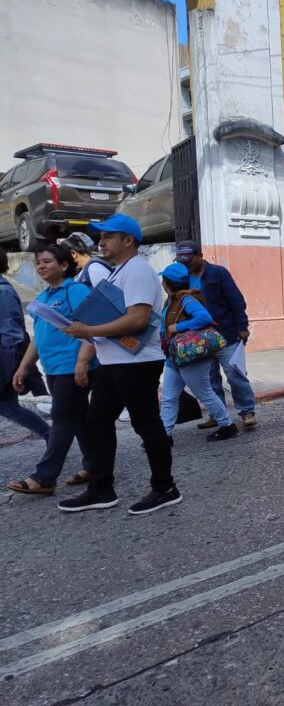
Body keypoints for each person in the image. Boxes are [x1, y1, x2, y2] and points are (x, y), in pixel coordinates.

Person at [60, 214, 180, 515]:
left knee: (147, 425)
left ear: (128, 240)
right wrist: (86, 352)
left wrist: (88, 331)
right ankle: (101, 488)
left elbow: (137, 319)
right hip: (114, 363)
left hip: (137, 364)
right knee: (97, 423)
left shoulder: (137, 270)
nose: (100, 242)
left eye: (108, 236)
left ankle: (165, 488)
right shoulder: (117, 272)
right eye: (100, 237)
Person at [7, 245, 96, 496]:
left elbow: (91, 326)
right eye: (38, 263)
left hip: (73, 365)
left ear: (64, 266)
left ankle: (45, 478)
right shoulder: (44, 297)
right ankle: (94, 466)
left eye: (47, 261)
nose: (41, 266)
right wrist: (24, 367)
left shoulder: (75, 290)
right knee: (78, 417)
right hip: (53, 367)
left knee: (62, 418)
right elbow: (38, 338)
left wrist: (83, 361)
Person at [174, 241, 257, 429]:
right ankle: (217, 415)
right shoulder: (182, 278)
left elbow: (236, 300)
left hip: (226, 333)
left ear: (200, 255)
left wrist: (242, 327)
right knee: (210, 378)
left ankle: (247, 411)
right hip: (199, 339)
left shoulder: (218, 273)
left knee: (235, 374)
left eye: (189, 260)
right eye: (182, 261)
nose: (185, 264)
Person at [157, 262, 238, 442]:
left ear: (167, 283)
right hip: (175, 356)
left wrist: (179, 326)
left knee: (205, 393)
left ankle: (227, 425)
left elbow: (205, 318)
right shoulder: (173, 300)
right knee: (169, 397)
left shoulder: (186, 300)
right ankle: (164, 436)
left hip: (191, 356)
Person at [0, 248, 50, 445]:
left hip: (4, 362)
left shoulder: (2, 292)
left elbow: (11, 335)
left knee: (8, 408)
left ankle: (51, 436)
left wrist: (10, 371)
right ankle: (51, 436)